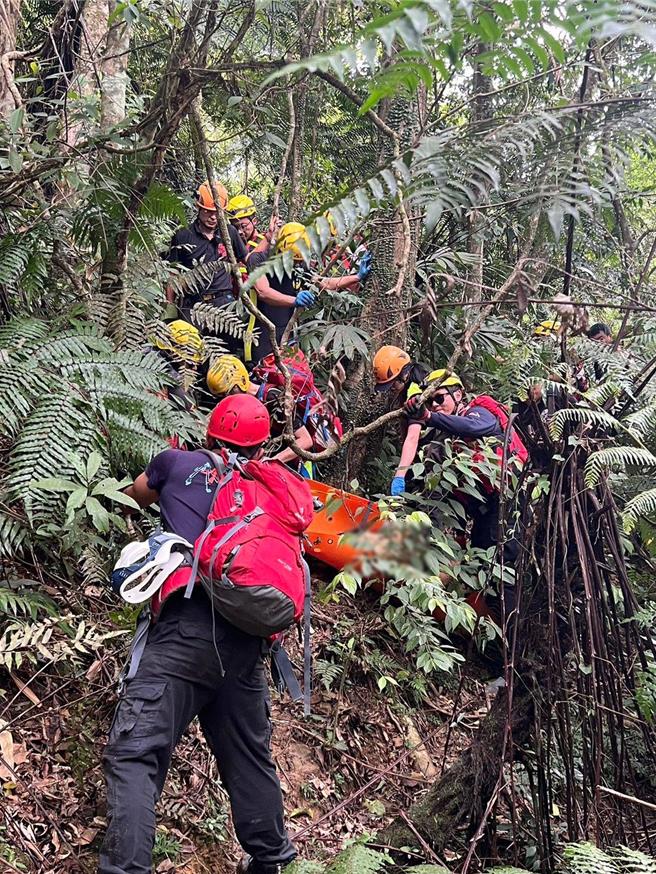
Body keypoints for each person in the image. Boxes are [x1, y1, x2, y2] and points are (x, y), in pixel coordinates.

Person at [99, 395, 297, 874]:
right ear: (262, 444)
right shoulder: (272, 488)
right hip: (248, 645)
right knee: (249, 758)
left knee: (135, 753)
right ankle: (272, 862)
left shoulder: (177, 462)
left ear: (209, 432)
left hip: (185, 628)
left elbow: (132, 495)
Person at [395, 370, 527, 568]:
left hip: (507, 503)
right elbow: (417, 446)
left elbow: (474, 426)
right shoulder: (447, 434)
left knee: (501, 566)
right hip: (485, 508)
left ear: (458, 395)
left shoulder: (478, 411)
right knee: (482, 560)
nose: (436, 405)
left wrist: (429, 416)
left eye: (439, 398)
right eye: (431, 401)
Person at [165, 181, 248, 354]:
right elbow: (173, 274)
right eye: (208, 212)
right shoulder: (183, 234)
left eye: (216, 213)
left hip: (224, 302)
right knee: (190, 355)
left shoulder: (229, 232)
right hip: (194, 305)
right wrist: (169, 307)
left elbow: (246, 258)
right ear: (198, 208)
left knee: (227, 355)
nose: (212, 217)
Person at [206, 354, 324, 471]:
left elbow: (305, 440)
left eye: (227, 393)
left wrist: (271, 462)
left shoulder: (274, 399)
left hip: (288, 464)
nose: (225, 399)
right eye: (219, 396)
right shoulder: (245, 397)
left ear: (241, 382)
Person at [247, 223, 316, 363]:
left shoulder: (299, 266)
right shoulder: (258, 259)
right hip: (261, 332)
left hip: (287, 331)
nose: (294, 264)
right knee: (263, 377)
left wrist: (357, 277)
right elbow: (263, 291)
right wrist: (294, 300)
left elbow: (322, 281)